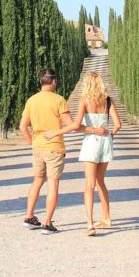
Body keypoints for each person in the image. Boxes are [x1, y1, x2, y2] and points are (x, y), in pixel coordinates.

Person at [19, 68, 98, 234]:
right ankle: (47, 223)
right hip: (54, 147)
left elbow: (23, 126)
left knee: (37, 181)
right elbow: (72, 125)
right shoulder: (59, 100)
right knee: (53, 185)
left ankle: (29, 216)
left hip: (38, 147)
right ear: (54, 82)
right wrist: (92, 130)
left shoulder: (31, 100)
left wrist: (32, 142)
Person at [43, 71, 121, 236]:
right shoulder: (108, 100)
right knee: (101, 181)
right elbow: (118, 124)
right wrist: (110, 135)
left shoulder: (85, 100)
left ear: (87, 84)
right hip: (106, 142)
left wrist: (55, 133)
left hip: (92, 142)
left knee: (89, 184)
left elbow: (76, 125)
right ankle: (106, 218)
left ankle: (90, 224)